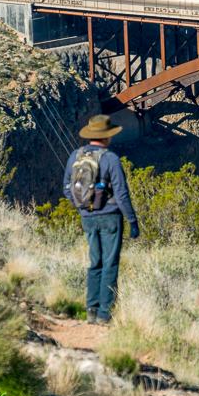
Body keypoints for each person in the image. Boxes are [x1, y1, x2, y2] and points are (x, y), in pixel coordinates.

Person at [63, 114, 140, 325]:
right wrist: (132, 222)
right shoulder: (110, 158)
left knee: (94, 262)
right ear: (107, 136)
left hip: (87, 218)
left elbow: (67, 189)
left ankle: (91, 310)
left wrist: (82, 209)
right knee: (110, 264)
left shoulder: (75, 156)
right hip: (110, 218)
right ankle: (105, 314)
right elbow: (121, 194)